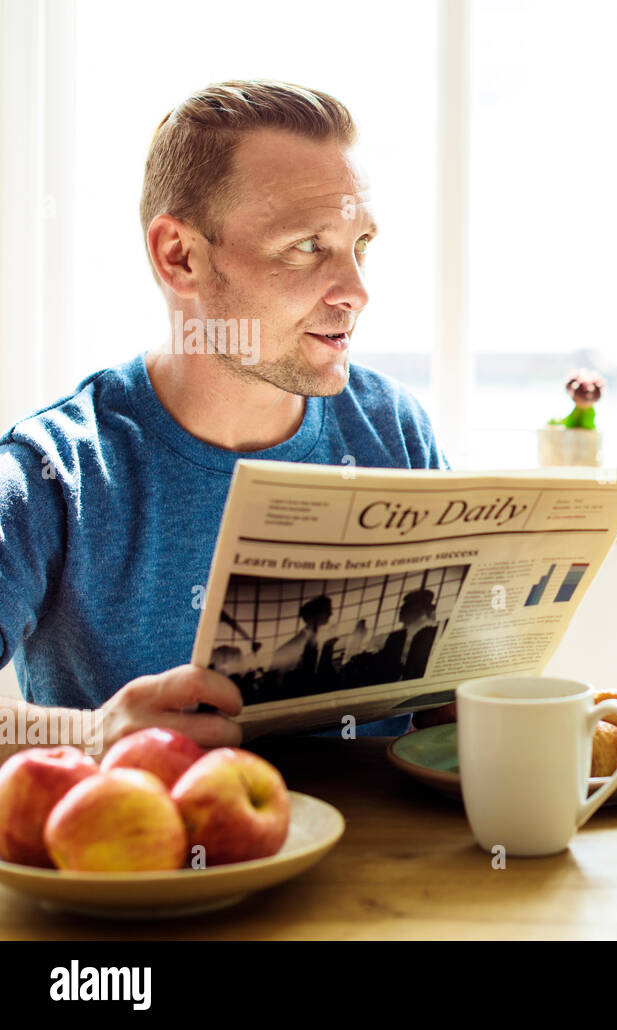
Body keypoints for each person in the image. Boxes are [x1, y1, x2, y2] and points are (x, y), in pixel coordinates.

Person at [0, 80, 447, 761]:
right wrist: (89, 736)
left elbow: (446, 702)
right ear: (180, 256)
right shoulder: (50, 474)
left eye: (361, 245)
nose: (357, 291)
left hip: (384, 864)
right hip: (148, 858)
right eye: (306, 246)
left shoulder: (394, 433)